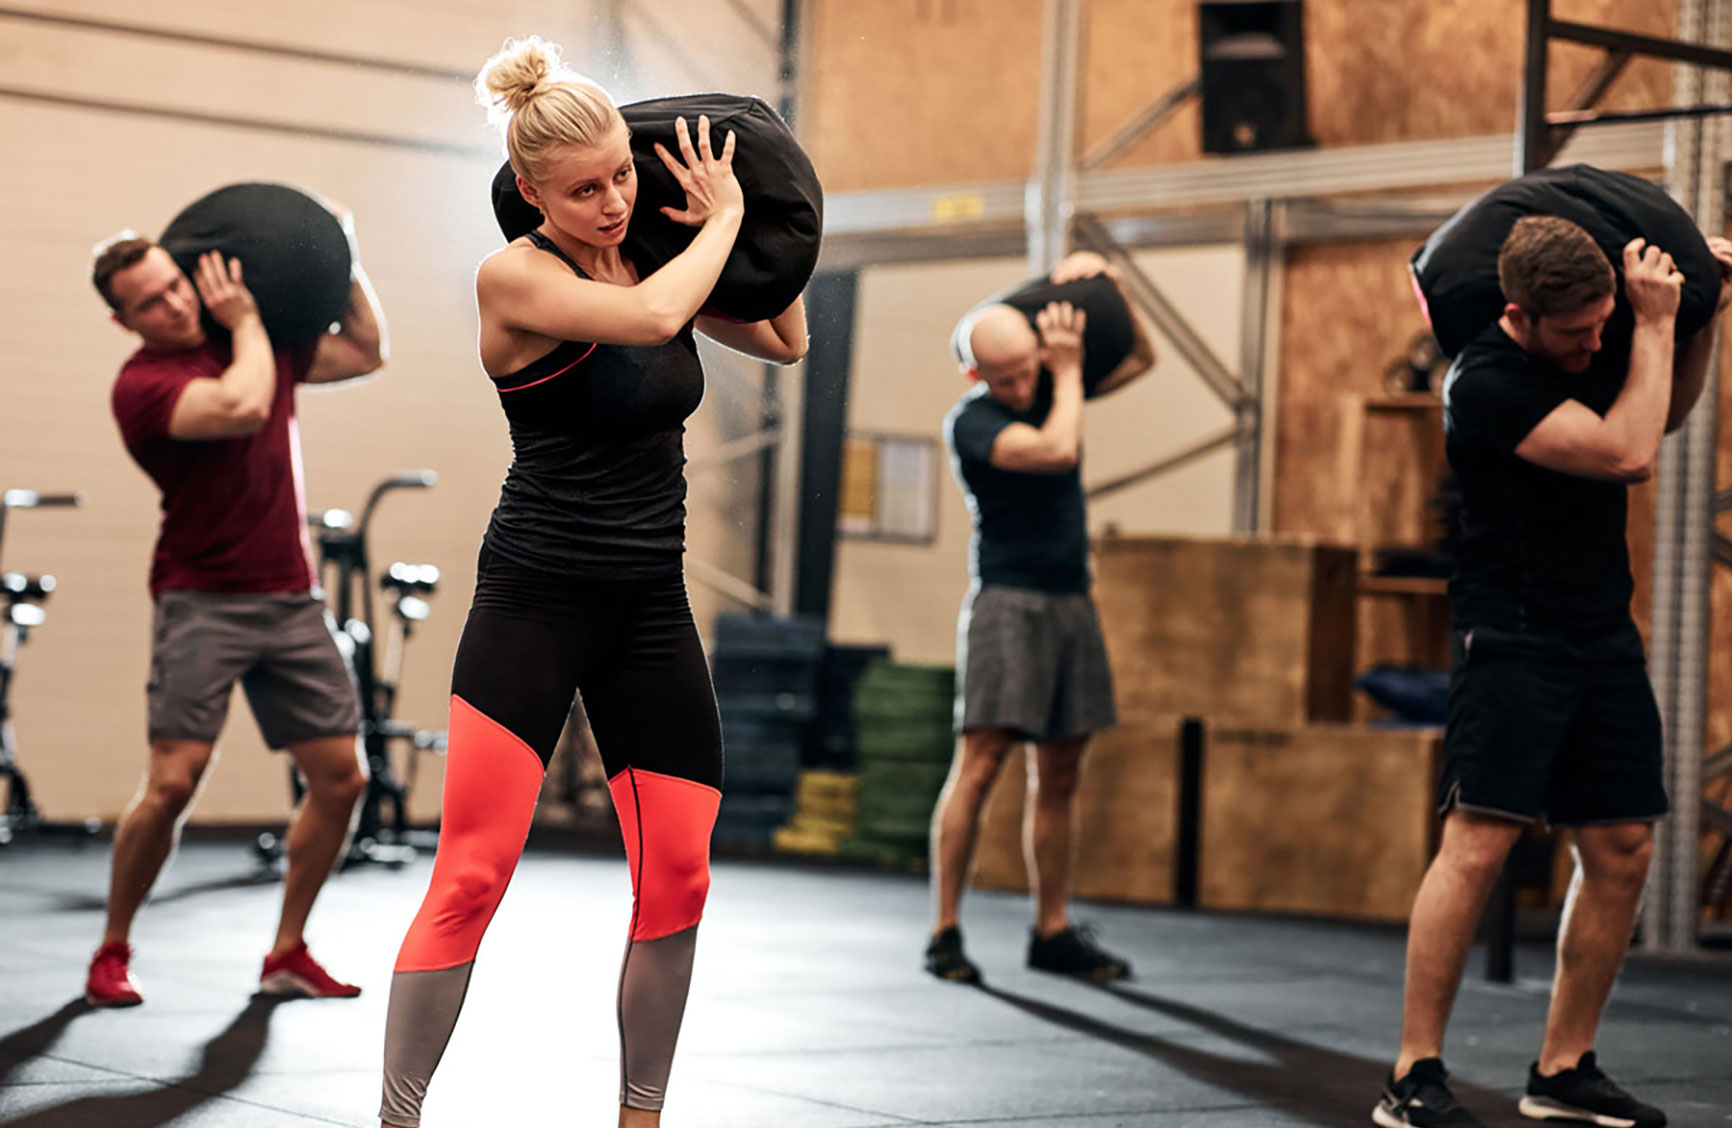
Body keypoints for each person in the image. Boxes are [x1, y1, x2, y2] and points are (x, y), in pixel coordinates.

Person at [377, 37, 807, 1128]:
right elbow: (657, 321)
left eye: (622, 173)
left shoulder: (654, 254)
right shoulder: (516, 277)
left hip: (647, 607)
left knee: (680, 878)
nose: (612, 200)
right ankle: (394, 1118)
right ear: (528, 193)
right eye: (582, 188)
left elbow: (788, 334)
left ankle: (639, 1119)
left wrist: (750, 210)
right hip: (535, 597)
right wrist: (713, 223)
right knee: (472, 875)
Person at [1373, 216, 1732, 1128]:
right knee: (1481, 843)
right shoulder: (1482, 381)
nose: (1593, 346)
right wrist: (1653, 328)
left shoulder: (1598, 344)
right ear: (1519, 315)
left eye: (1604, 328)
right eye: (1577, 335)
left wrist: (1700, 317)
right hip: (1513, 638)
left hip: (1600, 632)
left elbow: (1667, 413)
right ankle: (1413, 1075)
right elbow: (1628, 454)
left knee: (1621, 848)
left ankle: (1563, 1068)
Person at [86, 215, 388, 1007]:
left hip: (290, 597)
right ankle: (113, 947)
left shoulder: (260, 346)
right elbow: (242, 408)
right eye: (150, 304)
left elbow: (365, 350)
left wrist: (335, 252)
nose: (175, 307)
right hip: (202, 600)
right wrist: (248, 321)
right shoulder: (143, 387)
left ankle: (288, 948)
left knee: (341, 779)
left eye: (175, 286)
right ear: (125, 321)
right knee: (173, 785)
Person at [926, 251, 1157, 984]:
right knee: (983, 763)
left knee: (1061, 769)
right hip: (1007, 604)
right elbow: (1058, 451)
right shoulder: (973, 422)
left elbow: (1143, 358)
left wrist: (1111, 284)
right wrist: (1066, 372)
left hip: (1070, 600)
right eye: (1008, 378)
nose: (1023, 385)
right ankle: (945, 932)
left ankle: (1051, 929)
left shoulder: (1057, 383)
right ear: (978, 378)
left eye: (1030, 369)